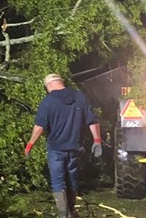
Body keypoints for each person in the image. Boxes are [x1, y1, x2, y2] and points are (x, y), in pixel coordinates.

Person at [23, 73, 102, 218]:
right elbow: (92, 120)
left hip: (56, 149)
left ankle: (62, 215)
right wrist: (97, 140)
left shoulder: (48, 101)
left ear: (49, 85)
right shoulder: (80, 97)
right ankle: (71, 212)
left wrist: (30, 144)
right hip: (75, 148)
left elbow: (40, 126)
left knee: (58, 182)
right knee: (72, 180)